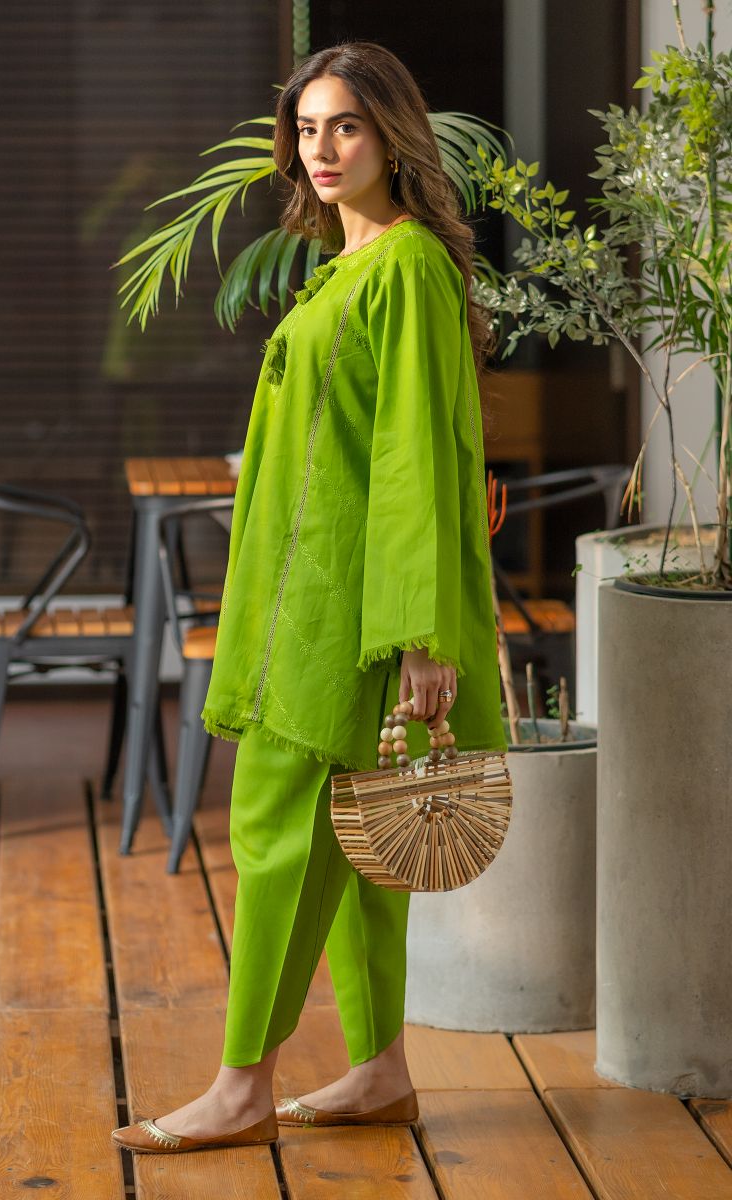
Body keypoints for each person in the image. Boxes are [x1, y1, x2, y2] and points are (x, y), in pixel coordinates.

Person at [111, 38, 505, 1155]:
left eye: (346, 125)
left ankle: (241, 1088)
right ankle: (378, 1071)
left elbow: (415, 456)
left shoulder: (407, 267)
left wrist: (419, 635)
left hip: (353, 613)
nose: (321, 147)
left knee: (277, 828)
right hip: (309, 594)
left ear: (392, 136)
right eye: (306, 127)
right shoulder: (343, 265)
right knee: (359, 841)